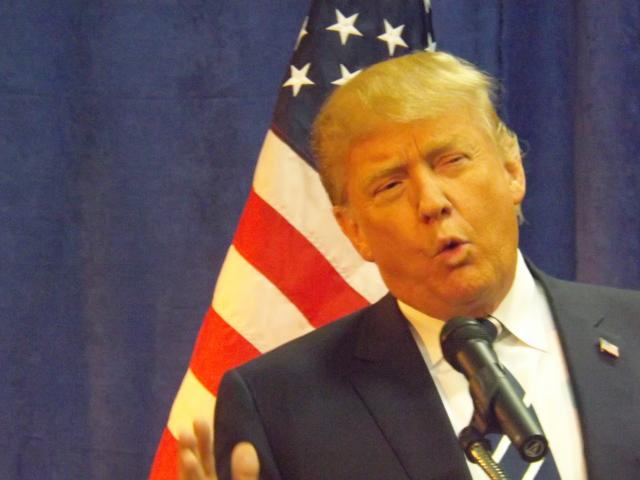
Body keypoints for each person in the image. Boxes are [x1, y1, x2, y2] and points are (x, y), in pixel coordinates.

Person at [178, 51, 640, 479]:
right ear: (354, 230)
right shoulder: (279, 406)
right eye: (390, 185)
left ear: (512, 170)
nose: (431, 202)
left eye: (452, 161)